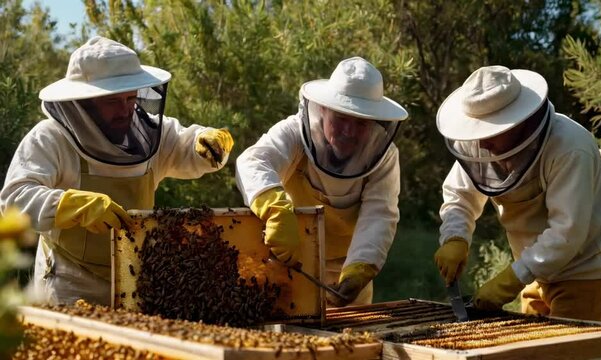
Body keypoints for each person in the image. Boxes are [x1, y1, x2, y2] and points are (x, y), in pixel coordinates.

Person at [0, 36, 234, 306]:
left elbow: (187, 147)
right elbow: (14, 200)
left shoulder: (149, 132)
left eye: (130, 97)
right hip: (70, 283)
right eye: (112, 101)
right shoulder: (51, 138)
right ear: (84, 102)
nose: (125, 110)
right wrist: (71, 205)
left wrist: (208, 141)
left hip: (136, 282)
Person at [433, 65, 601, 321]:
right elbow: (460, 195)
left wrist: (511, 279)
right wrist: (455, 237)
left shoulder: (570, 147)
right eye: (478, 132)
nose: (483, 143)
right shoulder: (479, 144)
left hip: (583, 273)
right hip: (532, 273)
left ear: (519, 121)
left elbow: (567, 232)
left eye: (492, 132)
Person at [236, 57, 408, 307]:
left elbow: (379, 214)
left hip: (347, 269)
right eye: (341, 118)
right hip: (290, 262)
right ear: (323, 110)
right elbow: (253, 162)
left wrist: (360, 267)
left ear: (372, 123)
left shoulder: (385, 155)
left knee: (353, 343)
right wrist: (275, 210)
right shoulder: (295, 132)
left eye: (360, 123)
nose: (349, 131)